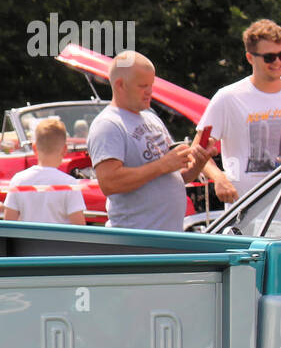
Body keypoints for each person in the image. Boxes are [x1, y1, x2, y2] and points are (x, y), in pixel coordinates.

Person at [86, 50, 210, 232]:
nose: (150, 92)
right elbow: (110, 183)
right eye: (143, 86)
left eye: (151, 85)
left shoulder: (151, 118)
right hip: (136, 242)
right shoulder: (108, 124)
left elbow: (174, 177)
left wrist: (198, 163)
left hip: (165, 237)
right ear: (120, 85)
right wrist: (163, 165)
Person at [196, 19, 281, 204]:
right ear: (250, 57)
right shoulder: (228, 97)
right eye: (269, 57)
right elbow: (198, 148)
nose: (277, 62)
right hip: (246, 212)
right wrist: (218, 178)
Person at [3, 117, 86, 225]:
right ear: (65, 149)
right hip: (58, 242)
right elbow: (79, 228)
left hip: (26, 241)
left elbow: (8, 223)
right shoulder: (70, 184)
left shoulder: (18, 181)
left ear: (34, 148)